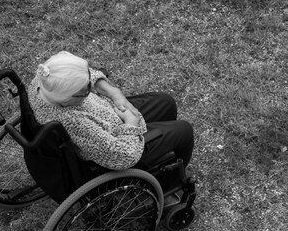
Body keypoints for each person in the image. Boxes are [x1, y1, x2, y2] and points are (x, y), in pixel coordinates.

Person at [27, 51, 194, 171]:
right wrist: (130, 124)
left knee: (166, 102)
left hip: (109, 115)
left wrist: (114, 92)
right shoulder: (73, 122)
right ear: (68, 99)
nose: (90, 87)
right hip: (118, 143)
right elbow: (122, 156)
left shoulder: (44, 80)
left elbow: (87, 75)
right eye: (85, 90)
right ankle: (169, 179)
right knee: (184, 131)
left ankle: (161, 156)